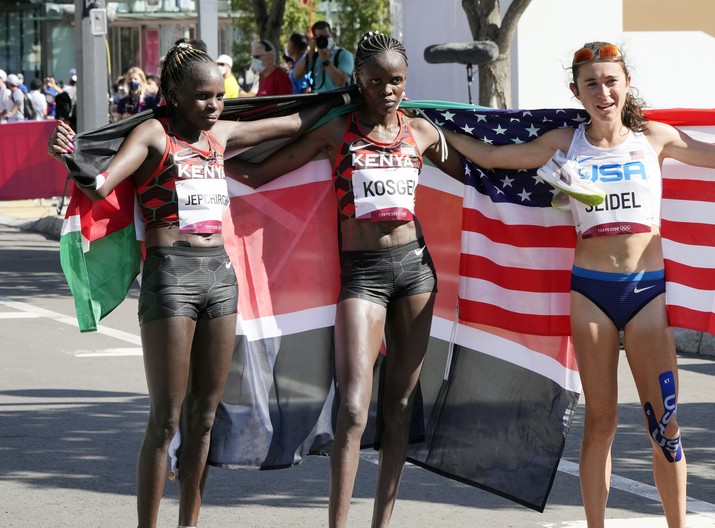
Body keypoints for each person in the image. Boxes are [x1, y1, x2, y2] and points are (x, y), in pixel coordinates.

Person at [442, 41, 715, 528]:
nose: (603, 92)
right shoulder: (564, 142)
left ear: (627, 84)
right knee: (602, 423)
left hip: (648, 295)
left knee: (664, 426)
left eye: (611, 80)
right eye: (592, 83)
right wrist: (434, 131)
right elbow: (493, 159)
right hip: (591, 293)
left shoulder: (655, 137)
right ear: (576, 91)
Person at [46, 42, 349, 528]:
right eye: (202, 96)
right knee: (166, 419)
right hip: (170, 278)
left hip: (220, 280)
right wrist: (68, 154)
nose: (213, 105)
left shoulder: (221, 134)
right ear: (172, 95)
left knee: (205, 417)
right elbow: (101, 184)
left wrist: (346, 99)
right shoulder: (151, 135)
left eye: (218, 96)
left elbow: (291, 123)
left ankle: (189, 522)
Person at [226, 31, 462, 528]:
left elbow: (477, 172)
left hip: (416, 273)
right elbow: (261, 170)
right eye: (376, 81)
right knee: (354, 408)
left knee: (399, 404)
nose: (388, 90)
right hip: (364, 278)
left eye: (396, 80)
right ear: (359, 81)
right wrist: (198, 152)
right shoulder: (338, 131)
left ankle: (382, 521)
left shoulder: (419, 132)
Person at [293, 21, 353, 92]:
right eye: (320, 38)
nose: (324, 40)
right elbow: (297, 75)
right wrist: (311, 51)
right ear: (315, 39)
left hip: (339, 100)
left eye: (327, 36)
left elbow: (341, 81)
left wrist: (326, 61)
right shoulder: (314, 56)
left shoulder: (344, 54)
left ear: (331, 35)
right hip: (319, 101)